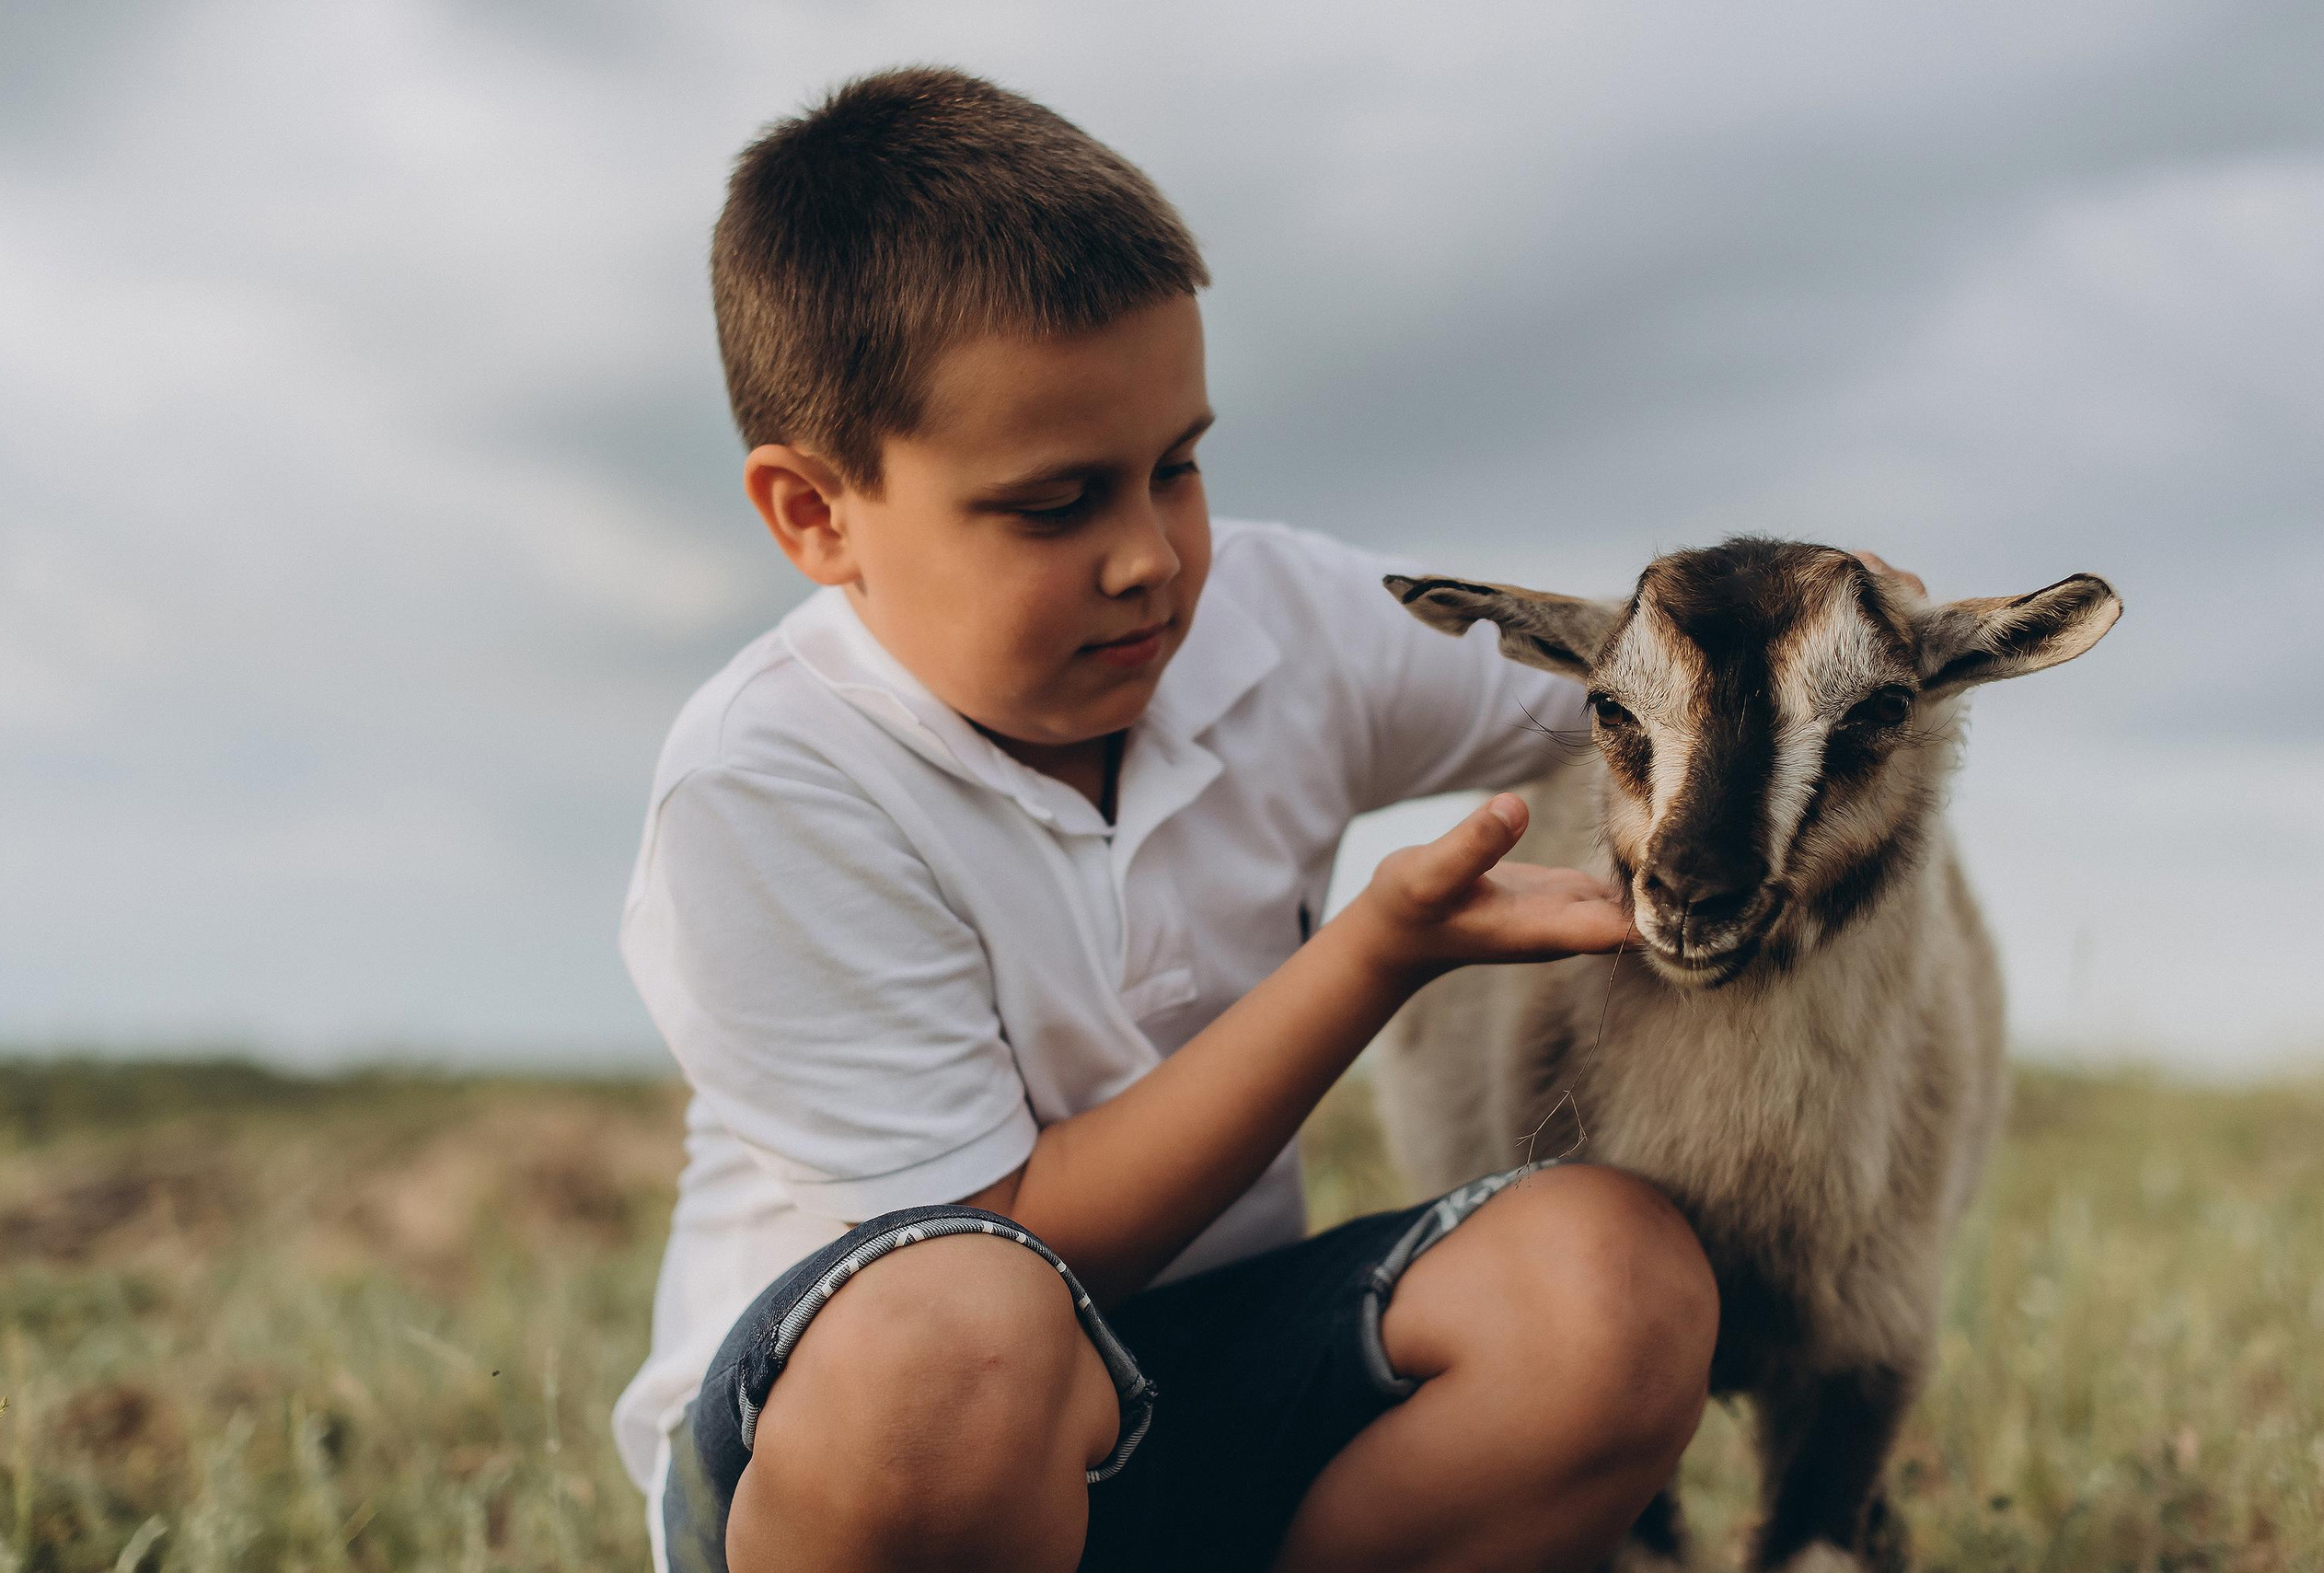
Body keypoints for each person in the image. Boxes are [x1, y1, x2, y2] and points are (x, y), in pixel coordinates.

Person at [613, 66, 1718, 1573]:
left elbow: (1627, 683)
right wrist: (1374, 954)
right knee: (965, 1326)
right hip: (880, 1454)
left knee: (1610, 1282)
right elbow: (1019, 1234)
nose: (1150, 557)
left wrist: (1810, 631)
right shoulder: (769, 780)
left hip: (1206, 1377)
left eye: (1178, 467)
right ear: (819, 516)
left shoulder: (1272, 618)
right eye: (1055, 503)